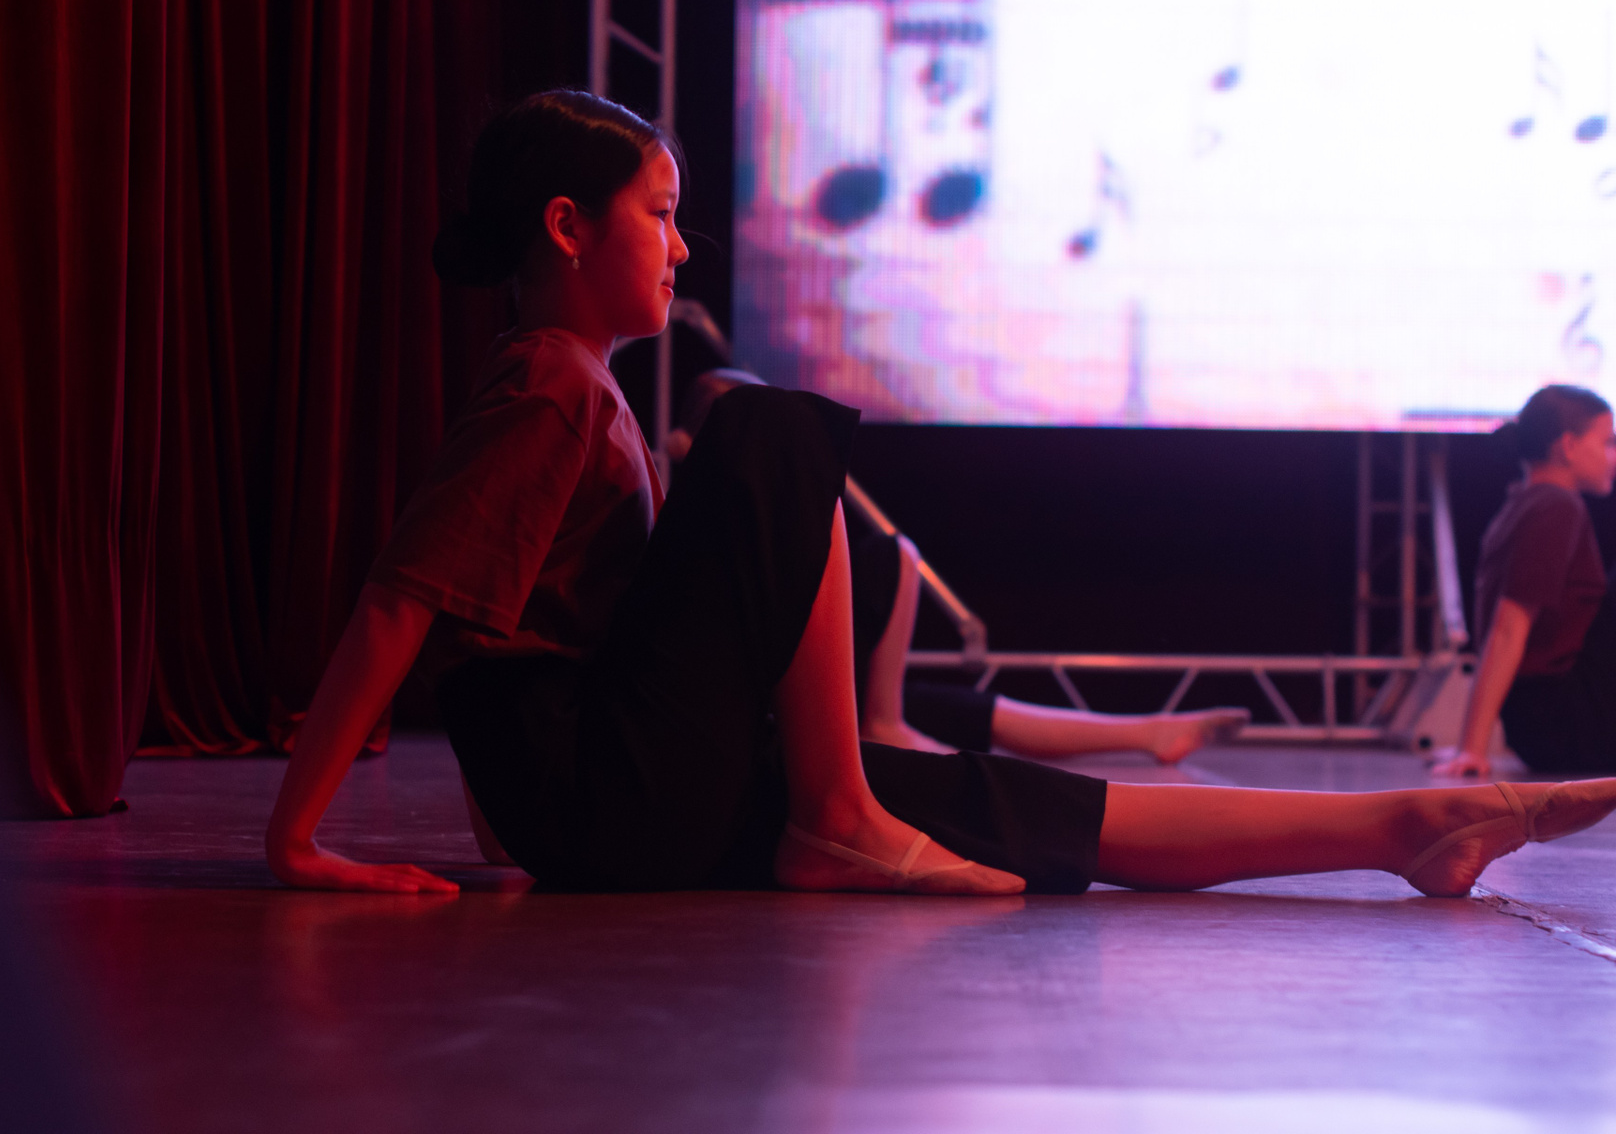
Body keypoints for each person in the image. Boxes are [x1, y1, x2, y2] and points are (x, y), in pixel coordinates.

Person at [266, 89, 1616, 900]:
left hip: (613, 791)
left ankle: (1405, 828)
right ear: (568, 226)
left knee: (991, 801)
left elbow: (535, 631)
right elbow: (404, 600)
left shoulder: (585, 386)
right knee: (761, 423)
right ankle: (840, 809)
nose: (682, 247)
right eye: (660, 214)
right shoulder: (548, 378)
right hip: (600, 797)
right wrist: (299, 837)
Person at [668, 369, 1250, 762]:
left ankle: (1151, 732)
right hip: (757, 698)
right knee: (893, 556)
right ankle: (890, 730)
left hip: (791, 681)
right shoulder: (680, 503)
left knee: (962, 707)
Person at [1436, 386, 1616, 778]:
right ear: (1569, 446)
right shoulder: (1555, 506)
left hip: (1544, 720)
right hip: (1562, 721)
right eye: (1607, 443)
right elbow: (1507, 629)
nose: (1614, 457)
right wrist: (1471, 749)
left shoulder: (1526, 501)